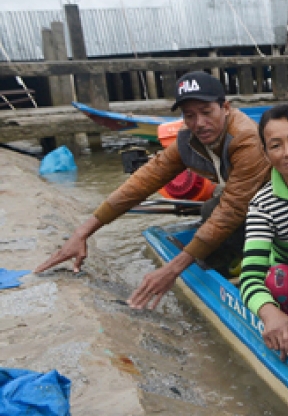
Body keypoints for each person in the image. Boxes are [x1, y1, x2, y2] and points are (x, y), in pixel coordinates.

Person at [35, 71, 270, 309]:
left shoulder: (245, 139)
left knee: (218, 214)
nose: (199, 123)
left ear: (225, 107)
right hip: (242, 201)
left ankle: (248, 269)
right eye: (189, 115)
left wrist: (172, 269)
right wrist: (82, 232)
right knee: (210, 208)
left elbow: (230, 212)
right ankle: (220, 263)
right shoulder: (189, 140)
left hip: (278, 205)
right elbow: (143, 182)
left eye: (207, 112)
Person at [239, 104, 288, 361]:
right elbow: (250, 278)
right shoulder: (263, 205)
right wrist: (269, 312)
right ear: (265, 152)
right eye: (276, 146)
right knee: (277, 277)